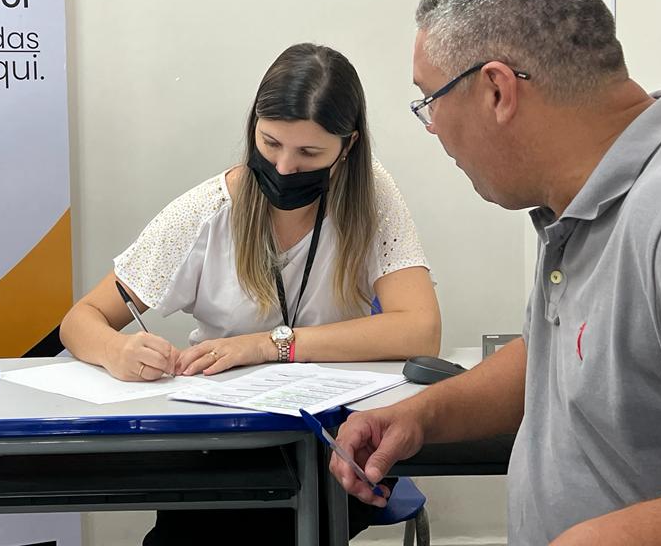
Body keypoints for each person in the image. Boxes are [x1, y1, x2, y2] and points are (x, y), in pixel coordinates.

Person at [330, 0, 661, 545]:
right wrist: (422, 415)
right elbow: (560, 358)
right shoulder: (581, 200)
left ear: (496, 90)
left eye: (431, 101)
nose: (433, 128)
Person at [61, 42, 441, 544]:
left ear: (347, 147)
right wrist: (117, 351)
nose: (283, 168)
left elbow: (420, 329)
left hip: (330, 435)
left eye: (309, 154)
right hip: (224, 442)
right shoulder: (205, 212)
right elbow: (81, 319)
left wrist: (268, 345)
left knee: (291, 513)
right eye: (270, 143)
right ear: (253, 128)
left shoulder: (369, 193)